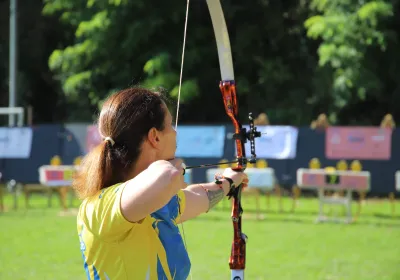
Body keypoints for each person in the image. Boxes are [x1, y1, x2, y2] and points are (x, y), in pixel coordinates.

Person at [73, 87, 249, 280]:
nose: (175, 133)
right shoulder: (99, 208)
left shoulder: (158, 202)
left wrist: (229, 181)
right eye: (171, 125)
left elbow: (198, 197)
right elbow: (169, 177)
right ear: (155, 137)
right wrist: (174, 168)